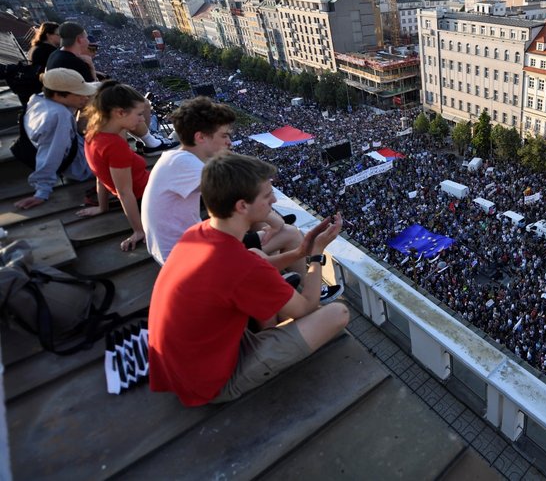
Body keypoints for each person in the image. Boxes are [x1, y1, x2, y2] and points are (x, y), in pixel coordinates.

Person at [148, 153, 350, 406]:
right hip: (210, 383)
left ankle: (280, 303)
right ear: (242, 206)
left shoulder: (197, 233)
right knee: (337, 314)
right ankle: (282, 309)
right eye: (267, 196)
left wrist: (299, 252)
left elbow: (254, 267)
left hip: (187, 362)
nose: (274, 200)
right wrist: (317, 254)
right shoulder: (238, 265)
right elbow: (305, 308)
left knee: (255, 252)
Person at [141, 97, 304, 270]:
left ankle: (272, 281)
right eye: (224, 135)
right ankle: (302, 293)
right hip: (188, 258)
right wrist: (277, 224)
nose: (229, 142)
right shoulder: (187, 164)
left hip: (182, 247)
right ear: (201, 137)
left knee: (258, 223)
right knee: (290, 233)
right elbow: (242, 194)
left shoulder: (175, 158)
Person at [48, 21, 175, 156]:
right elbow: (94, 94)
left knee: (136, 104)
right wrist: (90, 67)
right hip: (76, 116)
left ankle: (148, 141)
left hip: (68, 111)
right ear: (79, 39)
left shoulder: (55, 55)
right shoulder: (75, 61)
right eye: (86, 37)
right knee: (126, 109)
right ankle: (142, 147)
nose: (88, 41)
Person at [77, 81, 151, 251]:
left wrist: (103, 207)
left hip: (143, 190)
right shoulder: (114, 145)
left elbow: (101, 176)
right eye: (139, 114)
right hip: (147, 196)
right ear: (120, 113)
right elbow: (125, 193)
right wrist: (139, 231)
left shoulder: (94, 133)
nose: (142, 119)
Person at [13, 68, 96, 210]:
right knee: (121, 113)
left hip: (76, 146)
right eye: (79, 93)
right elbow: (51, 154)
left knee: (110, 91)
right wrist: (42, 192)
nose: (85, 97)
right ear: (59, 95)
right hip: (81, 167)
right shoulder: (58, 117)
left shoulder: (39, 98)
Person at [12, 22, 60, 107]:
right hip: (47, 91)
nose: (61, 37)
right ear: (49, 35)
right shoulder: (50, 51)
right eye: (58, 34)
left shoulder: (35, 48)